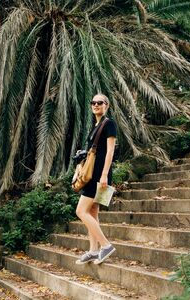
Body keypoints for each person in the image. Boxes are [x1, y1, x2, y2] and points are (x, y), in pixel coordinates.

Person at [75, 93, 117, 265]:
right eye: (93, 102)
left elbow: (110, 151)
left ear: (106, 105)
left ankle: (106, 245)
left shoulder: (109, 124)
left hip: (100, 175)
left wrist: (105, 174)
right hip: (93, 174)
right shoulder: (95, 126)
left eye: (100, 102)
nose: (96, 105)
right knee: (92, 212)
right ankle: (93, 251)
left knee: (80, 211)